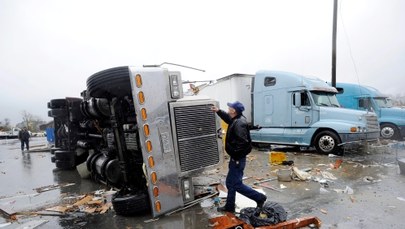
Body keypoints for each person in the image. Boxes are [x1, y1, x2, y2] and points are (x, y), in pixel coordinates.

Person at [212, 101, 267, 213]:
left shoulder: (239, 123)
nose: (228, 108)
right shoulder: (235, 119)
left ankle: (259, 197)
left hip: (237, 158)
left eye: (230, 107)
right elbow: (228, 119)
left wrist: (236, 155)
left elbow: (243, 142)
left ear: (233, 110)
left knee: (235, 184)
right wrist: (218, 111)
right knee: (230, 183)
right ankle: (229, 206)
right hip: (236, 157)